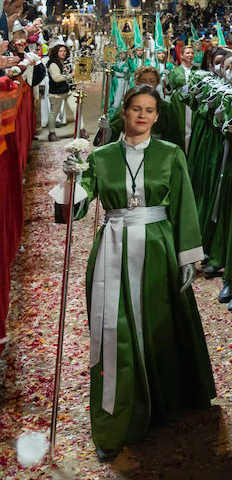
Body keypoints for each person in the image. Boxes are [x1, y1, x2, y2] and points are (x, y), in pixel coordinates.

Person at [53, 85, 215, 460]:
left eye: (149, 110)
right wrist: (71, 179)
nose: (142, 115)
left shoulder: (171, 154)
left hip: (157, 248)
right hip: (112, 249)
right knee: (115, 332)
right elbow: (73, 211)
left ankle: (161, 403)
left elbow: (185, 206)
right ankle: (116, 417)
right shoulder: (102, 156)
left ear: (157, 116)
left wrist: (188, 256)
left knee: (159, 325)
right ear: (123, 113)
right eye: (135, 109)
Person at [45, 42, 74, 141]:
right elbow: (56, 78)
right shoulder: (53, 64)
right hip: (56, 92)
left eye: (64, 51)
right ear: (56, 52)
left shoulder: (66, 62)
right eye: (60, 51)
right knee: (54, 113)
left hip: (68, 90)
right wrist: (70, 75)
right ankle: (51, 133)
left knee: (77, 108)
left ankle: (81, 129)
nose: (63, 53)